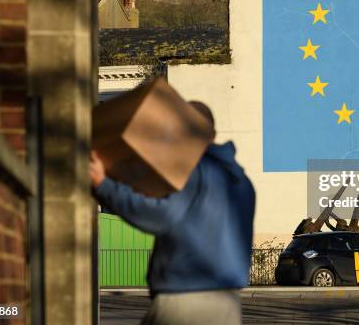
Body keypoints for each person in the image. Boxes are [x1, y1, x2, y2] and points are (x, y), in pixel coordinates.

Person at [89, 101, 255, 325]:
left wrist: (103, 185)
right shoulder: (243, 183)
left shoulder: (194, 172)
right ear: (212, 133)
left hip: (184, 300)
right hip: (228, 305)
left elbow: (159, 216)